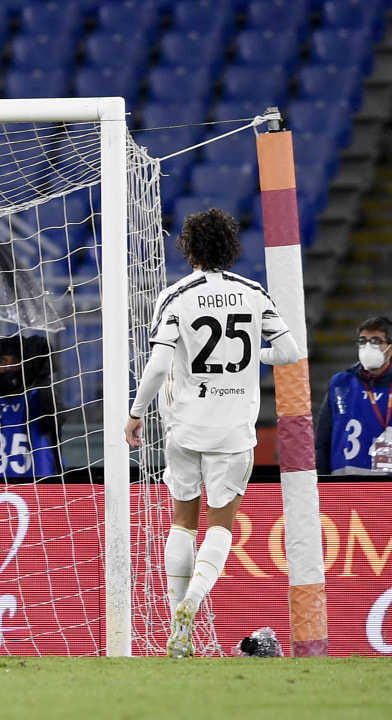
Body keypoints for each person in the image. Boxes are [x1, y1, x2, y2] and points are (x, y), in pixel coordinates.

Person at [124, 208, 300, 658]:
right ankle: (194, 603)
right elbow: (288, 351)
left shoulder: (176, 295)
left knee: (183, 521)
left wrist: (136, 412)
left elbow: (160, 363)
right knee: (221, 525)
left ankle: (175, 619)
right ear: (231, 247)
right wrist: (248, 359)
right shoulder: (253, 292)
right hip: (234, 430)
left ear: (189, 249)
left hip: (185, 425)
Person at [0, 335, 60, 477]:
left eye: (14, 362)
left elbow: (55, 419)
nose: (8, 367)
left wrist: (43, 375)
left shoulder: (38, 396)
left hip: (37, 489)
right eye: (3, 362)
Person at [316, 316, 392, 475]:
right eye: (363, 341)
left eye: (376, 341)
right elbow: (321, 442)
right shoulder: (340, 384)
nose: (368, 347)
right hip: (344, 487)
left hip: (386, 489)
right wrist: (322, 482)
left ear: (390, 349)